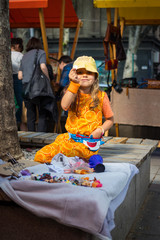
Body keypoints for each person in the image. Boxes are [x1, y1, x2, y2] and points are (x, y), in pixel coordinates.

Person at [34, 56, 114, 163]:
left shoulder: (102, 96)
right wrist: (73, 84)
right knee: (41, 156)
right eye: (80, 72)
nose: (85, 75)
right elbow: (64, 106)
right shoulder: (71, 91)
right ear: (74, 75)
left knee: (71, 155)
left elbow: (110, 120)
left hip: (88, 144)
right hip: (69, 139)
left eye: (89, 72)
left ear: (95, 76)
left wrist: (100, 130)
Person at [18, 37, 50, 132]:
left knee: (30, 114)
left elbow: (20, 76)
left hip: (26, 88)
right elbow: (43, 67)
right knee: (42, 113)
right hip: (38, 87)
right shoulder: (40, 52)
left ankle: (31, 138)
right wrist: (47, 79)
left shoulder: (24, 56)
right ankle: (40, 137)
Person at [11, 37, 24, 130]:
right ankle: (20, 120)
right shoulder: (20, 55)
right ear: (17, 45)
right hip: (18, 78)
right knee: (20, 101)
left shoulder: (5, 54)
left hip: (7, 78)